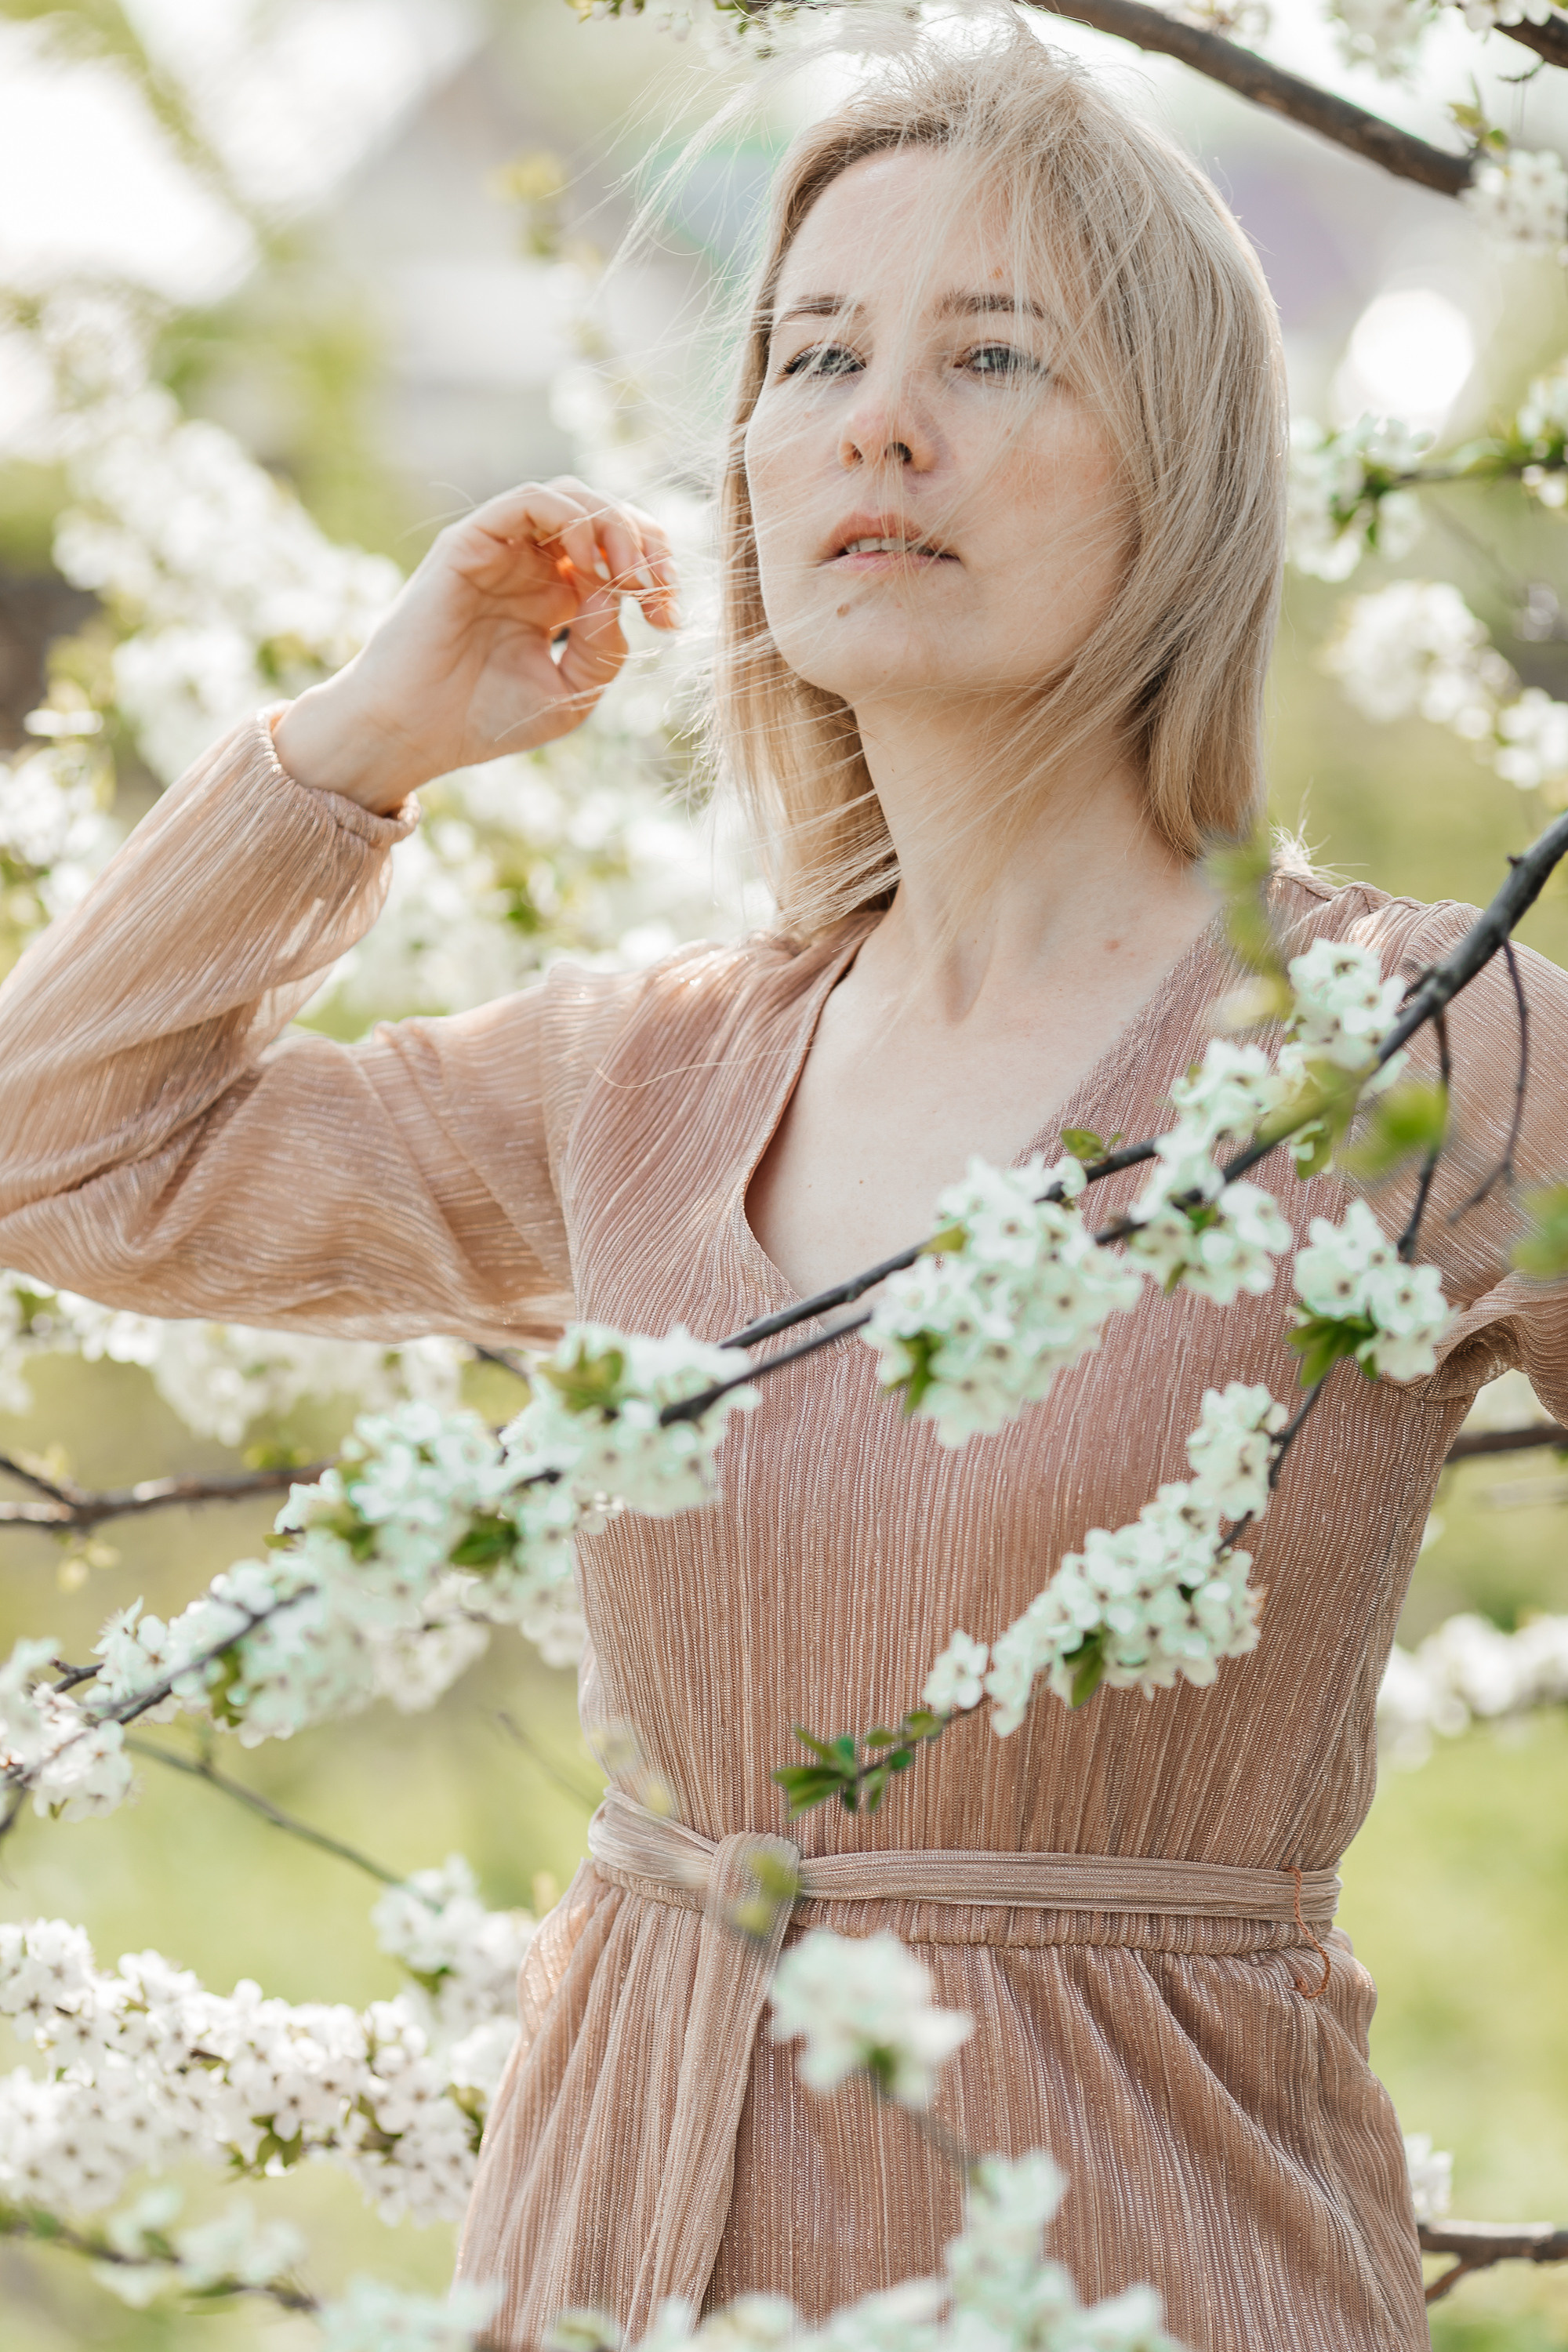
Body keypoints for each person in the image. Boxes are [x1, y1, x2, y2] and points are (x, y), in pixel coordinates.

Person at [0, 22, 1563, 2350]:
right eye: (815, 352)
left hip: (1156, 2265)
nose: (878, 422)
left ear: (1193, 469)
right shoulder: (632, 1074)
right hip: (611, 2257)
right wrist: (356, 747)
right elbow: (71, 1155)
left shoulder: (1425, 1048)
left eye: (995, 352)